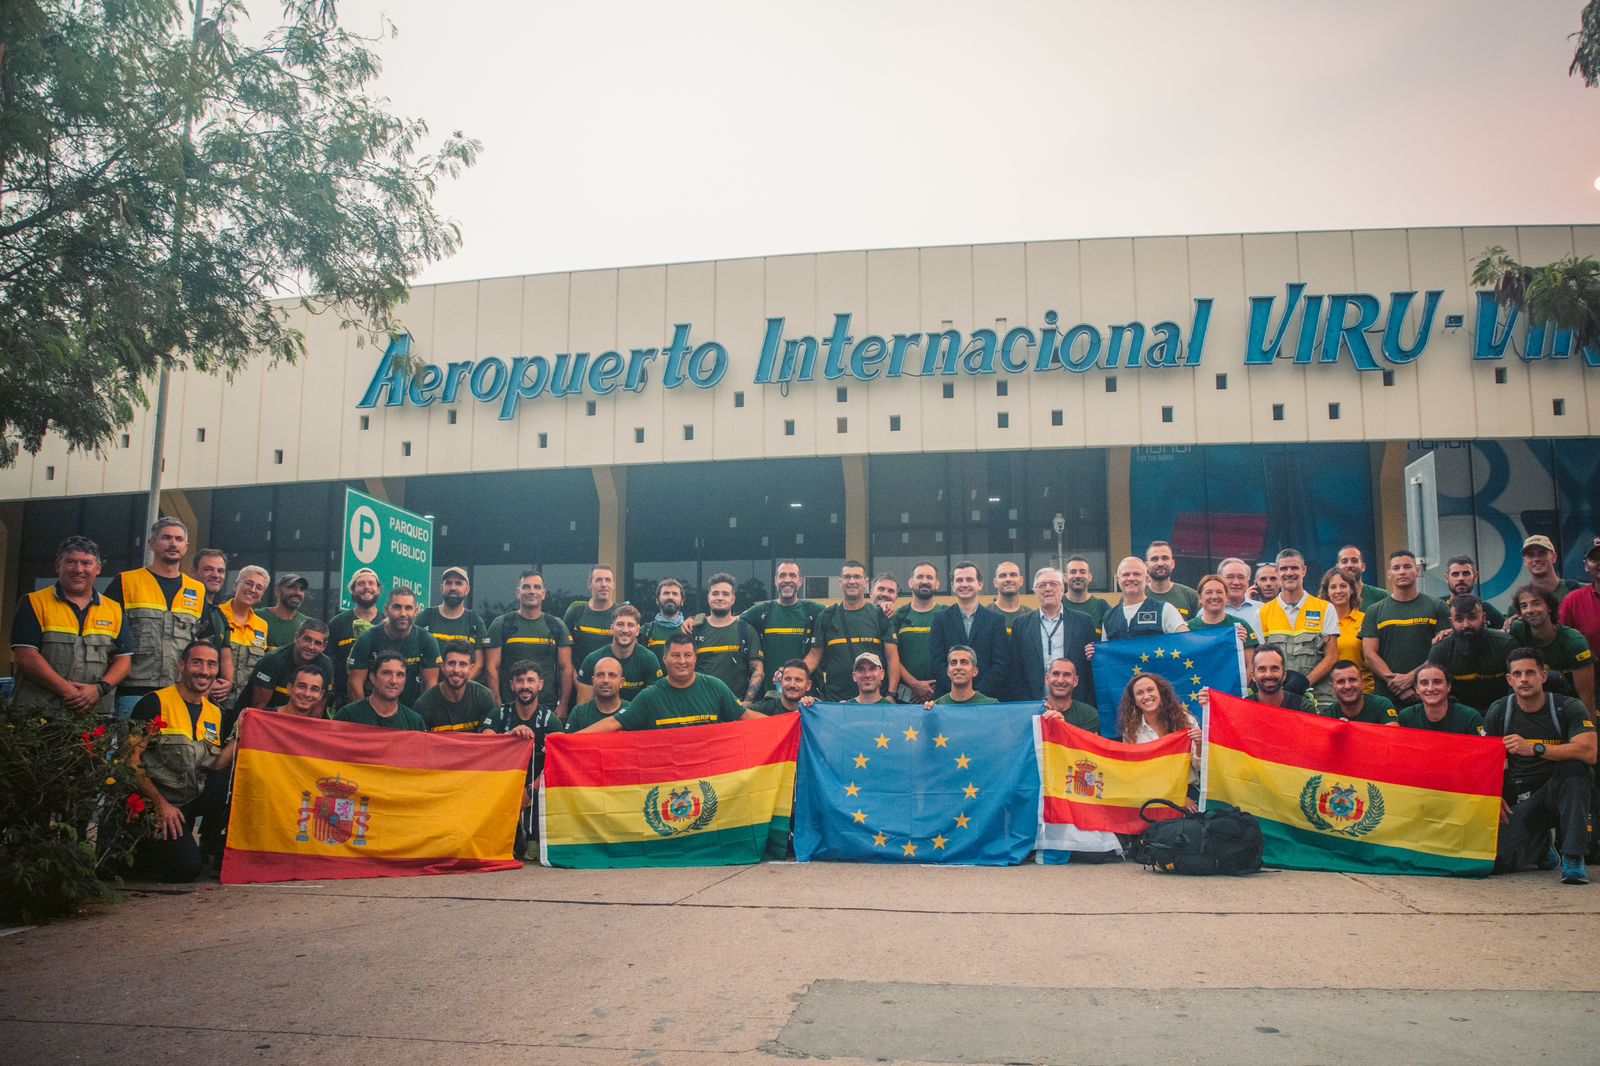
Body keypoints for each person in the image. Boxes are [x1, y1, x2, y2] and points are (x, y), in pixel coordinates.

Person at [124, 641, 235, 882]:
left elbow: (215, 766)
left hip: (188, 802)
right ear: (182, 665)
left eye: (211, 664)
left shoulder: (214, 712)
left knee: (229, 778)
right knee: (186, 869)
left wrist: (241, 734)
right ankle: (138, 846)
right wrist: (161, 804)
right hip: (153, 804)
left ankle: (211, 842)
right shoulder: (154, 703)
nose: (204, 671)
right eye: (197, 662)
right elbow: (130, 761)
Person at [1484, 647, 1597, 884]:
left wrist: (1536, 749)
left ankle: (1573, 857)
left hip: (1560, 792)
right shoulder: (1500, 711)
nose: (1524, 679)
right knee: (1493, 863)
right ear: (1509, 679)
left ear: (1543, 676)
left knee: (1575, 768)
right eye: (1517, 674)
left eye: (1530, 673)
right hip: (1522, 800)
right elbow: (1486, 762)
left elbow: (1589, 751)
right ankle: (1541, 845)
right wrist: (1492, 796)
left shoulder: (1567, 707)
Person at [9, 535, 130, 718]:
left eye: (86, 563)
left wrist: (99, 689)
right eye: (71, 562)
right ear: (58, 566)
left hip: (92, 718)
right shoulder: (33, 603)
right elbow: (26, 657)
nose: (78, 569)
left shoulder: (114, 610)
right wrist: (71, 692)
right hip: (38, 718)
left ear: (98, 568)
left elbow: (124, 660)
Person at [104, 516, 207, 719]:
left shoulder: (197, 589)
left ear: (186, 547)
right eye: (166, 538)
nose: (173, 544)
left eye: (178, 539)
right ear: (152, 543)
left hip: (179, 691)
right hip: (134, 692)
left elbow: (202, 642)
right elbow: (105, 636)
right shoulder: (126, 582)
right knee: (131, 750)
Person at [577, 632, 767, 732]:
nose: (682, 661)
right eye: (676, 655)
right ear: (665, 659)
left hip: (709, 778)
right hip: (666, 782)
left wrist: (790, 724)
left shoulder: (715, 687)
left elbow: (745, 716)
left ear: (695, 659)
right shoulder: (650, 696)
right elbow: (613, 723)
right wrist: (568, 740)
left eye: (687, 655)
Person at [480, 660, 558, 861]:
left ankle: (532, 834)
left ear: (540, 685)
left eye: (530, 680)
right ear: (511, 685)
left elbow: (558, 763)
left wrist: (530, 791)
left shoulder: (551, 720)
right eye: (520, 681)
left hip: (537, 788)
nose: (525, 686)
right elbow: (484, 746)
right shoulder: (499, 714)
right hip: (503, 789)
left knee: (533, 852)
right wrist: (509, 736)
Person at [1361, 549, 1449, 705]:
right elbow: (1369, 654)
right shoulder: (1374, 610)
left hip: (1428, 696)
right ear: (1389, 574)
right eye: (1396, 568)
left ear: (1417, 570)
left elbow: (1443, 652)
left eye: (1407, 566)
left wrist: (1412, 679)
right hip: (1387, 699)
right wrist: (1398, 685)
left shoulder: (1437, 606)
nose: (1402, 572)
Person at [806, 561, 901, 701]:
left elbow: (892, 658)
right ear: (840, 581)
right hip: (835, 700)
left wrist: (891, 694)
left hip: (872, 701)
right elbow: (813, 658)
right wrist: (790, 673)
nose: (852, 581)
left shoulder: (880, 615)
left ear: (866, 582)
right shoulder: (827, 616)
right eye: (847, 577)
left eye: (857, 577)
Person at [486, 570, 574, 721]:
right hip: (509, 705)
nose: (532, 591)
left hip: (548, 706)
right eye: (526, 587)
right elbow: (491, 667)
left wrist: (564, 704)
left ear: (544, 593)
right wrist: (497, 703)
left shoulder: (556, 625)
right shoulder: (501, 624)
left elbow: (565, 668)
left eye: (536, 587)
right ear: (518, 593)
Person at [1258, 549, 1337, 704]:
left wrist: (1304, 683)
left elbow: (1332, 657)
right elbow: (1260, 660)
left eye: (1294, 568)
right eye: (1284, 569)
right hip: (1277, 699)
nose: (1289, 573)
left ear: (1304, 570)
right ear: (1277, 572)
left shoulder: (1325, 609)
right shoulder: (1261, 613)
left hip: (1318, 699)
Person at [1008, 566, 1096, 704]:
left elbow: (1090, 668)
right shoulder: (1020, 625)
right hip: (1034, 703)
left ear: (1062, 589)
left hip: (1075, 703)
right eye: (1042, 585)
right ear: (1035, 591)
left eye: (1053, 584)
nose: (1048, 589)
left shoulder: (1084, 622)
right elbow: (1015, 670)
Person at [928, 561, 1011, 700]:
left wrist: (975, 695)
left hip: (985, 699)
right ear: (953, 586)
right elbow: (937, 662)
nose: (964, 584)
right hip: (949, 699)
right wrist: (957, 692)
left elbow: (1001, 664)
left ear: (980, 585)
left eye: (969, 579)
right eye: (959, 580)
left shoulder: (996, 620)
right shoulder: (940, 619)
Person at [346, 586, 440, 707]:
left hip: (412, 713)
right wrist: (365, 719)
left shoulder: (427, 640)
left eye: (408, 608)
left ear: (416, 611)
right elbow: (355, 684)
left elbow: (431, 688)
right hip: (373, 713)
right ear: (386, 610)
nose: (403, 613)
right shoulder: (368, 639)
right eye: (397, 607)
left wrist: (421, 719)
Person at [1510, 584, 1596, 711]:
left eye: (1536, 603)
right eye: (1524, 606)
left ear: (1549, 607)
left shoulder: (1575, 643)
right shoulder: (1517, 630)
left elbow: (1587, 698)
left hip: (1570, 707)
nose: (1529, 610)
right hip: (1533, 705)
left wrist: (1589, 730)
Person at [741, 562, 823, 694]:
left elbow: (841, 615)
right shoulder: (761, 611)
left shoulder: (813, 610)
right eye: (782, 575)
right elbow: (730, 621)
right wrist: (695, 620)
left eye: (792, 575)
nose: (787, 580)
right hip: (769, 696)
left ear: (800, 581)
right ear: (775, 580)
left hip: (807, 697)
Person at [1427, 595, 1516, 712]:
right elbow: (1436, 693)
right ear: (1451, 622)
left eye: (1472, 617)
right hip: (1459, 717)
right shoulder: (1440, 650)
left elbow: (1517, 688)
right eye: (1459, 619)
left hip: (1501, 713)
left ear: (1484, 618)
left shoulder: (1506, 644)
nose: (1466, 625)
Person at [1117, 673, 1201, 795]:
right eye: (1139, 693)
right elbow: (1136, 773)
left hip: (1188, 789)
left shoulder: (1185, 721)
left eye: (1150, 690)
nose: (1146, 696)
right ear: (1134, 701)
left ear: (1160, 693)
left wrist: (1199, 745)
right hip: (1152, 792)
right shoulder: (1131, 732)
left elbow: (1199, 767)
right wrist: (1173, 798)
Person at [692, 572, 765, 702]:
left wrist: (747, 703)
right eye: (715, 593)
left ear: (733, 599)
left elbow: (758, 671)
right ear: (708, 597)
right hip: (702, 708)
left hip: (736, 709)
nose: (720, 598)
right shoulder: (694, 630)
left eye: (725, 594)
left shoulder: (746, 630)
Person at [576, 604, 662, 703]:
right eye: (620, 624)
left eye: (630, 625)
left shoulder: (649, 659)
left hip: (637, 717)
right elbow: (583, 703)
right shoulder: (593, 660)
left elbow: (655, 702)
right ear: (612, 628)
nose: (625, 630)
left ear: (638, 630)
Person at [246, 619, 334, 713]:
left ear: (324, 646)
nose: (311, 646)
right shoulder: (272, 660)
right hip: (267, 717)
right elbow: (257, 709)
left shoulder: (326, 665)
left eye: (317, 643)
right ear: (296, 637)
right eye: (307, 639)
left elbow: (318, 710)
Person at [417, 566, 488, 680]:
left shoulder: (474, 620)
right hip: (429, 692)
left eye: (459, 583)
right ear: (441, 588)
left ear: (467, 589)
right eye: (448, 583)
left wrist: (459, 686)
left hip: (462, 694)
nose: (453, 588)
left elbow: (479, 663)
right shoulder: (426, 617)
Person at [217, 566, 271, 711]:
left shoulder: (262, 626)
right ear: (235, 585)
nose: (253, 590)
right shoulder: (216, 615)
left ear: (262, 595)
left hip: (244, 707)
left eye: (259, 587)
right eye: (248, 583)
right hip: (214, 700)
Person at [328, 567, 383, 707]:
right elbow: (328, 661)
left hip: (381, 699)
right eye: (361, 584)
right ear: (353, 590)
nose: (367, 587)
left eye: (371, 583)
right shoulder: (338, 623)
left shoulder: (386, 623)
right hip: (344, 700)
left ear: (378, 589)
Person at [334, 649, 427, 731]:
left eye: (400, 675)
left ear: (405, 680)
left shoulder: (414, 722)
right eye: (387, 673)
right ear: (373, 677)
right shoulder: (348, 715)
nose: (393, 681)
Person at [189, 547, 237, 703]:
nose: (216, 575)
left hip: (209, 699)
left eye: (221, 571)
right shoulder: (184, 607)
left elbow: (226, 655)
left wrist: (228, 683)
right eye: (208, 569)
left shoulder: (220, 615)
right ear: (193, 572)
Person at [1100, 557, 1188, 640]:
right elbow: (1104, 651)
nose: (1131, 578)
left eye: (1137, 574)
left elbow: (1187, 642)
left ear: (1147, 579)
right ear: (1118, 580)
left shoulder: (1165, 610)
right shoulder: (1109, 617)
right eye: (1126, 574)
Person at [414, 646, 498, 733]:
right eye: (451, 663)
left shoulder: (483, 696)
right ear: (442, 666)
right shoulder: (424, 705)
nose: (456, 670)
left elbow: (490, 736)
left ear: (471, 668)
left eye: (463, 664)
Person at [1187, 573, 1258, 676]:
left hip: (1233, 690)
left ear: (1226, 597)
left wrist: (1241, 689)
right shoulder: (1188, 628)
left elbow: (1251, 665)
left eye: (1219, 592)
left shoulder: (1240, 625)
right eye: (1208, 592)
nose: (1214, 596)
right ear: (1199, 598)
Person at [892, 561, 941, 703]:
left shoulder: (947, 614)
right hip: (905, 695)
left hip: (939, 694)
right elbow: (891, 657)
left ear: (937, 584)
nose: (924, 581)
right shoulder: (898, 616)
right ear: (910, 582)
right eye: (920, 577)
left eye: (929, 577)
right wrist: (914, 684)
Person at [1318, 569, 1371, 697]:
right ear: (1326, 592)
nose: (1338, 591)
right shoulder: (1318, 623)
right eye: (1333, 587)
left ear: (1351, 590)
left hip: (1363, 693)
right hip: (1328, 695)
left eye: (1343, 586)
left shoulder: (1366, 619)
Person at [1396, 662, 1485, 736]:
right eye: (1424, 683)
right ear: (1416, 689)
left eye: (1437, 682)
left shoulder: (1470, 718)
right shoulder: (1407, 717)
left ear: (1448, 686)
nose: (1430, 688)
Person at [563, 564, 620, 665]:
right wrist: (577, 680)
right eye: (598, 580)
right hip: (577, 678)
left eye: (608, 580)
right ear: (589, 584)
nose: (603, 584)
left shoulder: (621, 614)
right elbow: (565, 653)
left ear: (614, 585)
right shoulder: (575, 611)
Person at [1518, 535, 1584, 613]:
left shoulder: (1580, 591)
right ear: (1525, 562)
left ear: (1554, 557)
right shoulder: (1522, 601)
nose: (1536, 559)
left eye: (1542, 553)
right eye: (1531, 555)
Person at [1559, 538, 1600, 662]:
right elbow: (1563, 642)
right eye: (1594, 559)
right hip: (1590, 677)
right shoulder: (1573, 600)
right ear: (1586, 566)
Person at [1320, 660, 1398, 725]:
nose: (1347, 686)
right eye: (1341, 682)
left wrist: (1354, 731)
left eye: (1352, 680)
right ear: (1332, 687)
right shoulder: (1327, 716)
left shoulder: (1381, 705)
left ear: (1362, 682)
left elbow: (1394, 736)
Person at [1246, 645, 1320, 713]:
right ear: (1253, 676)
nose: (1268, 675)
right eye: (1262, 669)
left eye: (1274, 669)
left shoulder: (1303, 708)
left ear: (1284, 675)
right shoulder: (1243, 708)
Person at [1036, 658, 1101, 732]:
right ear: (1047, 679)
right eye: (1056, 674)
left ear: (1075, 681)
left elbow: (1086, 743)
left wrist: (1063, 727)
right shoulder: (1034, 712)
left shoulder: (1088, 714)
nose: (1060, 680)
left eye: (1066, 675)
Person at [564, 655, 622, 732]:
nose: (605, 680)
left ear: (622, 682)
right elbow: (567, 742)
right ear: (593, 680)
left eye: (612, 675)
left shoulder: (631, 711)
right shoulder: (579, 712)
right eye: (600, 675)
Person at [1444, 555, 1504, 629]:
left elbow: (1506, 634)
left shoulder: (1485, 608)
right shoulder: (1438, 607)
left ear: (1475, 577)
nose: (1461, 578)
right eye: (1455, 574)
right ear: (1447, 578)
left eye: (1466, 574)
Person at [1144, 541, 1199, 620]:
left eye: (1165, 558)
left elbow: (1200, 630)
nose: (1160, 563)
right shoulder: (1135, 597)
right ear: (1146, 565)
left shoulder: (1192, 597)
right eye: (1154, 559)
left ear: (1173, 563)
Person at [928, 645, 998, 706]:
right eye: (953, 663)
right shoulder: (937, 705)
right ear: (948, 672)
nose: (958, 667)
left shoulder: (991, 705)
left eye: (964, 662)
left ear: (975, 671)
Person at [262, 573, 313, 653]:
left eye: (301, 589)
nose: (298, 592)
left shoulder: (309, 624)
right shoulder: (257, 616)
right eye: (292, 587)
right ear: (277, 591)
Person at [1062, 555, 1110, 638]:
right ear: (1065, 577)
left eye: (1082, 572)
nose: (1078, 576)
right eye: (1073, 572)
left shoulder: (1101, 607)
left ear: (1089, 577)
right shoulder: (1057, 604)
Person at [1217, 557, 1263, 639]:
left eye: (1241, 577)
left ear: (1248, 581)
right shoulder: (1207, 612)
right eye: (1230, 577)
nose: (1236, 582)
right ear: (1220, 581)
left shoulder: (1263, 610)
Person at [646, 578, 692, 655]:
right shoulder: (646, 631)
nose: (670, 597)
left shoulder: (690, 629)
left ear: (682, 601)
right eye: (666, 593)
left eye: (675, 594)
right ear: (657, 601)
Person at [1336, 545, 1387, 610]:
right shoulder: (1329, 599)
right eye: (1344, 561)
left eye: (1354, 561)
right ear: (1337, 568)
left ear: (1363, 567)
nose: (1349, 565)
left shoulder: (1381, 597)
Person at [991, 560, 1030, 633]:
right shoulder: (985, 615)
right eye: (1003, 576)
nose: (1008, 579)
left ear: (1021, 581)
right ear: (995, 582)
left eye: (1013, 575)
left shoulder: (1031, 617)